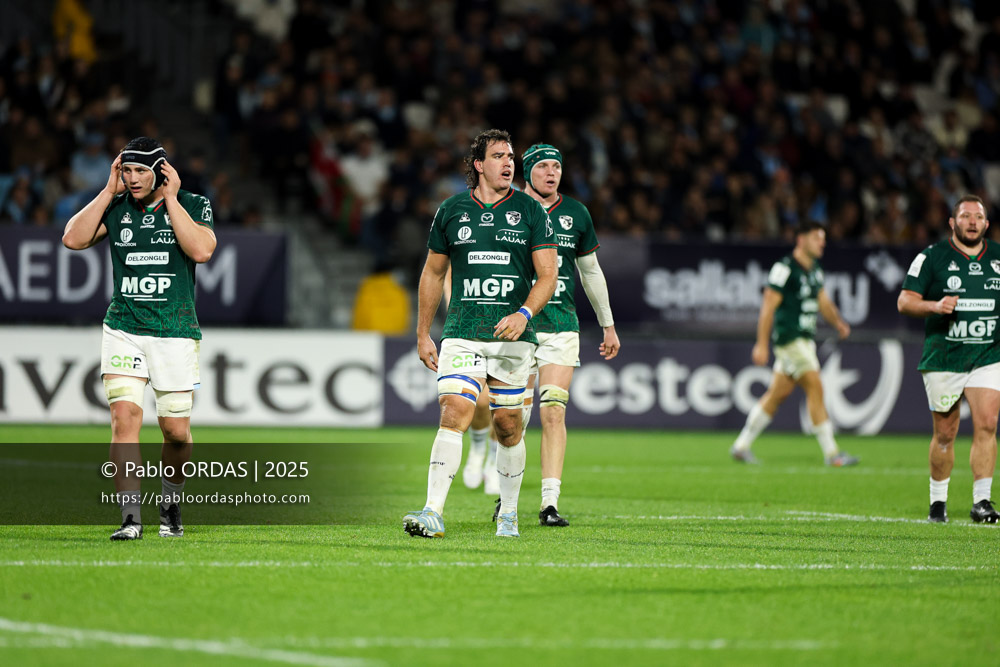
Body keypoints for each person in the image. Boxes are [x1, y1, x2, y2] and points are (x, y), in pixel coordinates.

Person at [404, 128, 557, 538]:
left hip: (513, 336)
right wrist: (422, 333)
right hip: (463, 330)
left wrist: (525, 313)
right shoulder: (452, 210)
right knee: (454, 410)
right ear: (479, 164)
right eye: (499, 156)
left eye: (511, 157)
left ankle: (508, 512)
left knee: (508, 425)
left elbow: (548, 275)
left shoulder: (530, 211)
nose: (509, 163)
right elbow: (433, 273)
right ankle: (432, 511)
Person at [62, 137, 216, 540]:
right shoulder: (115, 207)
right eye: (125, 171)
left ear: (161, 171)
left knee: (176, 433)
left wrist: (173, 200)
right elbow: (72, 239)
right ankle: (131, 518)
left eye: (140, 171)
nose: (132, 179)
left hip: (175, 330)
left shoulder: (195, 205)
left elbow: (201, 250)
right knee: (124, 419)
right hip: (123, 328)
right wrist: (106, 190)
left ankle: (170, 503)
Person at [509, 143, 620, 527]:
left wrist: (607, 323)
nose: (551, 173)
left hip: (560, 326)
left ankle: (549, 504)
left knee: (553, 410)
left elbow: (590, 272)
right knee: (513, 417)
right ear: (528, 173)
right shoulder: (509, 209)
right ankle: (505, 496)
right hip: (517, 327)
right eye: (542, 167)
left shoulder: (576, 213)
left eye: (556, 166)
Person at [898, 195, 1000, 524]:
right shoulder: (932, 258)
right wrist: (935, 306)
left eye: (978, 217)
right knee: (945, 432)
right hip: (945, 356)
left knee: (987, 423)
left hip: (988, 353)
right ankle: (938, 503)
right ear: (952, 223)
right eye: (965, 216)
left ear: (986, 224)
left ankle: (982, 502)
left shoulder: (998, 257)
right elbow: (905, 301)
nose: (972, 221)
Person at [730, 221, 859, 466]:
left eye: (823, 238)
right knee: (815, 386)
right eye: (816, 238)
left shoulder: (815, 270)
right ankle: (833, 454)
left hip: (805, 341)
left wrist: (838, 323)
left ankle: (741, 445)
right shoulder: (785, 268)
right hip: (790, 340)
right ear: (801, 240)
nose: (822, 242)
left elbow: (823, 303)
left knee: (777, 394)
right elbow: (768, 305)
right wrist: (761, 344)